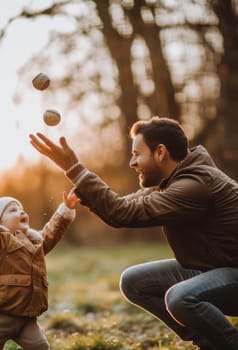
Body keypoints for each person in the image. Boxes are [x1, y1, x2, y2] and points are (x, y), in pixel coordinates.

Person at [29, 116, 238, 350]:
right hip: (218, 268)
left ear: (160, 152)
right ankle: (212, 344)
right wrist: (82, 186)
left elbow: (123, 212)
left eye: (137, 154)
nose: (132, 163)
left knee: (180, 298)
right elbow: (119, 209)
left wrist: (75, 169)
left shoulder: (195, 185)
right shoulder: (170, 181)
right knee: (135, 281)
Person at [0, 169, 80, 350]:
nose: (21, 212)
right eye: (13, 210)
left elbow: (51, 232)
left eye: (22, 209)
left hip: (28, 318)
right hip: (1, 316)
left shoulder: (35, 242)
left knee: (41, 347)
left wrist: (65, 210)